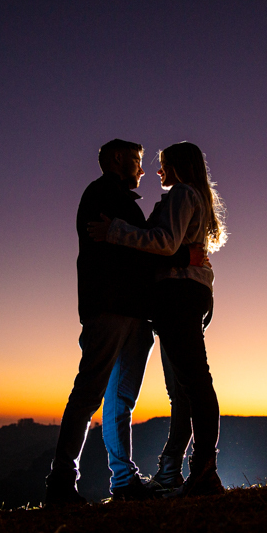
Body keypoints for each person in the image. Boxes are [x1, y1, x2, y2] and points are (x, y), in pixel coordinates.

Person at [45, 139, 197, 504]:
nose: (143, 171)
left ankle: (123, 481)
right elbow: (136, 250)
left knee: (118, 400)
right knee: (91, 394)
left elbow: (141, 247)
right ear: (118, 159)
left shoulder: (119, 202)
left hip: (132, 314)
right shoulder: (101, 196)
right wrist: (183, 252)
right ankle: (63, 481)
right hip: (111, 312)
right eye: (137, 162)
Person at [88, 141, 227, 497]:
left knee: (192, 384)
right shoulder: (194, 196)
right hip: (189, 295)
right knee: (185, 387)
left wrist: (114, 231)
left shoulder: (182, 193)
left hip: (179, 296)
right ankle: (177, 471)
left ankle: (201, 474)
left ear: (178, 166)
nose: (157, 171)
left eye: (162, 164)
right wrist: (185, 255)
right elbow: (175, 247)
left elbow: (163, 242)